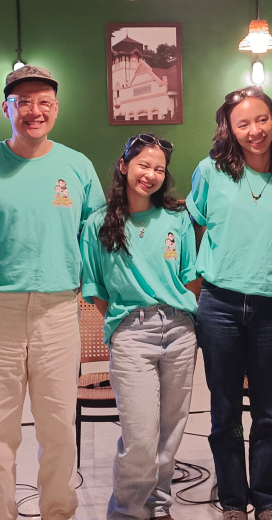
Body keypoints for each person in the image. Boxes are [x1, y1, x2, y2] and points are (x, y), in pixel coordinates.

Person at [0, 65, 102, 520]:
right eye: (23, 102)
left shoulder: (77, 165)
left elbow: (91, 233)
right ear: (6, 107)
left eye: (44, 102)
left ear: (56, 107)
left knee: (57, 425)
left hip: (58, 308)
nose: (35, 111)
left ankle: (58, 510)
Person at [186, 86, 272, 520]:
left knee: (268, 413)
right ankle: (232, 500)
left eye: (261, 120)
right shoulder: (210, 171)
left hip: (271, 310)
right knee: (224, 412)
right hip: (219, 305)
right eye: (243, 123)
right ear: (230, 128)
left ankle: (267, 500)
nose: (254, 130)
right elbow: (195, 227)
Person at [80, 134, 198, 520]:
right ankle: (127, 512)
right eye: (143, 165)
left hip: (180, 331)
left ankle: (158, 505)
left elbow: (188, 277)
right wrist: (123, 321)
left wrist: (180, 312)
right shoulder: (99, 223)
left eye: (159, 169)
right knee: (141, 438)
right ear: (123, 165)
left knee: (171, 430)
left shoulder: (177, 220)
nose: (150, 174)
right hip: (132, 334)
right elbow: (94, 286)